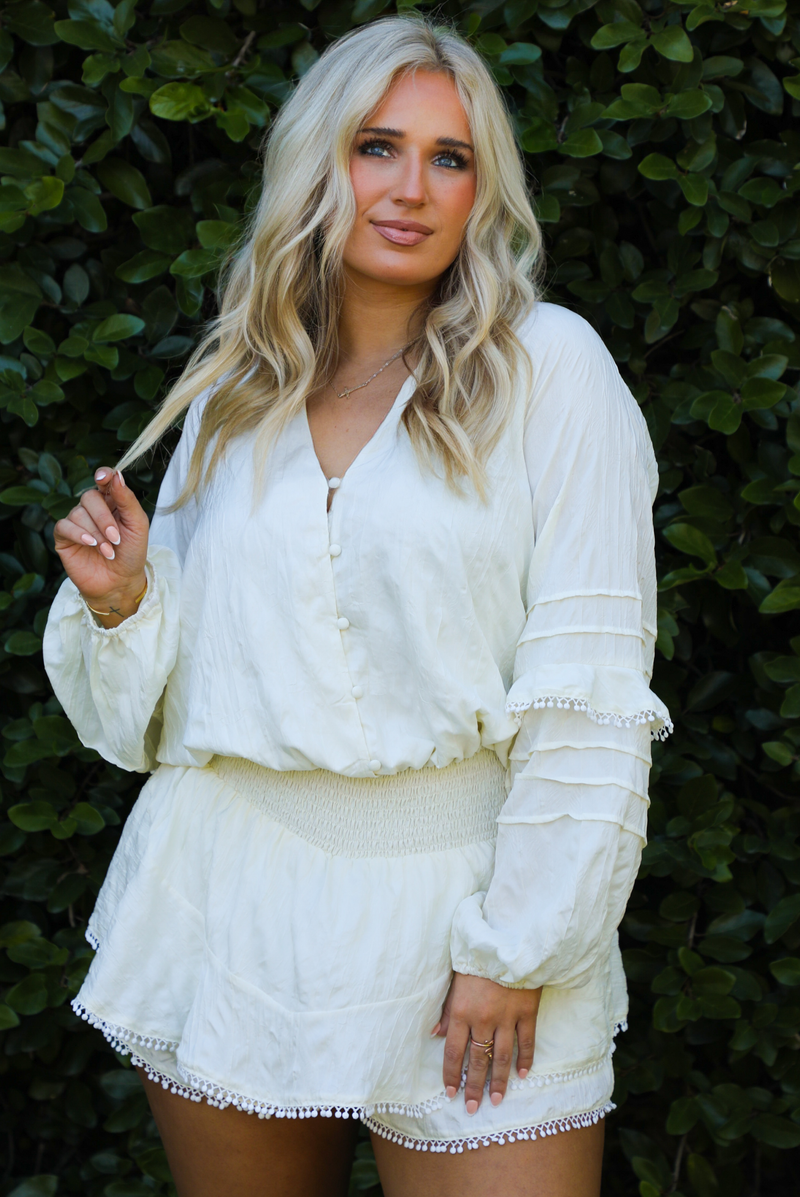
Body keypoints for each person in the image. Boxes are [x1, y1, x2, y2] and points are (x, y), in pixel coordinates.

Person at [43, 16, 671, 1197]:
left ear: (482, 188)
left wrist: (516, 948)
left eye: (449, 157)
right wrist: (124, 605)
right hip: (230, 900)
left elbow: (588, 691)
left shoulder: (551, 368)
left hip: (469, 903)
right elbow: (141, 729)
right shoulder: (238, 391)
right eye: (376, 146)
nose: (410, 188)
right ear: (315, 163)